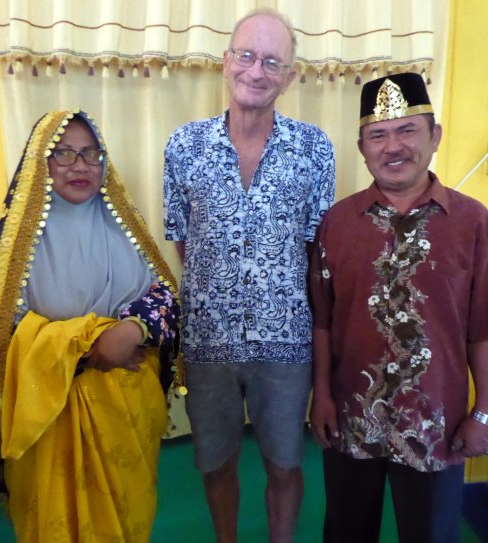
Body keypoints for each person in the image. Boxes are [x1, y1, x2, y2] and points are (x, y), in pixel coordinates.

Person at [309, 72, 488, 543]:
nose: (393, 147)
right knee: (346, 531)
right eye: (378, 135)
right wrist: (321, 395)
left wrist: (486, 411)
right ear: (362, 148)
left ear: (434, 136)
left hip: (436, 423)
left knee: (431, 534)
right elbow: (322, 320)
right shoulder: (337, 223)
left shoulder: (473, 224)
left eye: (407, 131)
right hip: (352, 416)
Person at [0, 109, 180, 543]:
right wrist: (86, 346)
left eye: (90, 153)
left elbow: (166, 298)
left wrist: (133, 330)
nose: (80, 166)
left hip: (127, 404)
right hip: (49, 408)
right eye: (63, 154)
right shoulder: (17, 242)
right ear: (40, 163)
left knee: (125, 519)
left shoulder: (125, 227)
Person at [163, 8, 335, 543]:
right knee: (215, 463)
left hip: (286, 341)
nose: (256, 71)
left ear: (289, 76)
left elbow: (315, 248)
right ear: (225, 61)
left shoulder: (315, 149)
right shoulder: (183, 146)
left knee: (285, 463)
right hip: (207, 340)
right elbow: (184, 242)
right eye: (246, 55)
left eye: (271, 61)